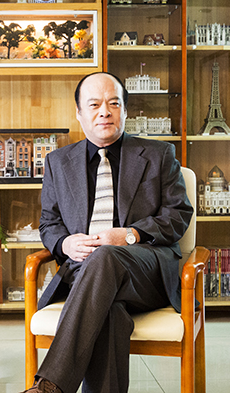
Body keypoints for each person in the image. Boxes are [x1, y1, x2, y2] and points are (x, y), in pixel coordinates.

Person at [23, 72, 194, 393]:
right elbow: (49, 223)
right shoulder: (58, 162)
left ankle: (50, 386)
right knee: (110, 315)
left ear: (125, 111)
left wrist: (130, 235)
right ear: (79, 113)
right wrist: (65, 243)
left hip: (146, 273)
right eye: (94, 105)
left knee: (105, 257)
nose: (105, 111)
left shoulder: (159, 155)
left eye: (113, 103)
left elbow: (178, 216)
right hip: (85, 276)